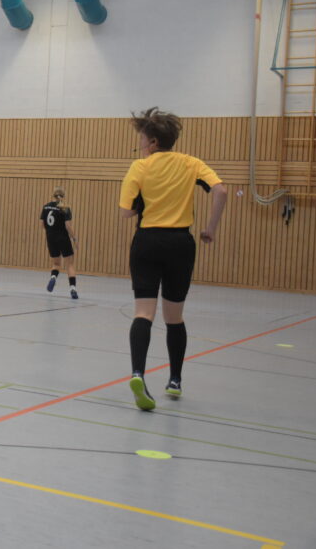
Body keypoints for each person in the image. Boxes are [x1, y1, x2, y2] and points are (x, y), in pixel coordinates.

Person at [119, 108, 227, 411]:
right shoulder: (191, 163)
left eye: (142, 139)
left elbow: (126, 212)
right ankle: (175, 380)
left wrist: (142, 203)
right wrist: (210, 229)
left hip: (147, 242)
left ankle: (138, 374)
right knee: (174, 317)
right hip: (180, 244)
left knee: (143, 313)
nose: (140, 144)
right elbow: (221, 191)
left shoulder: (140, 167)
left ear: (153, 142)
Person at [41, 186, 79, 299]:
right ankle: (73, 289)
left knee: (56, 264)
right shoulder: (65, 208)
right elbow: (68, 226)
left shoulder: (45, 207)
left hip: (50, 238)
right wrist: (74, 239)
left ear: (53, 195)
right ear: (63, 196)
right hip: (63, 238)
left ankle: (53, 278)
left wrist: (51, 232)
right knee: (70, 264)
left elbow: (42, 225)